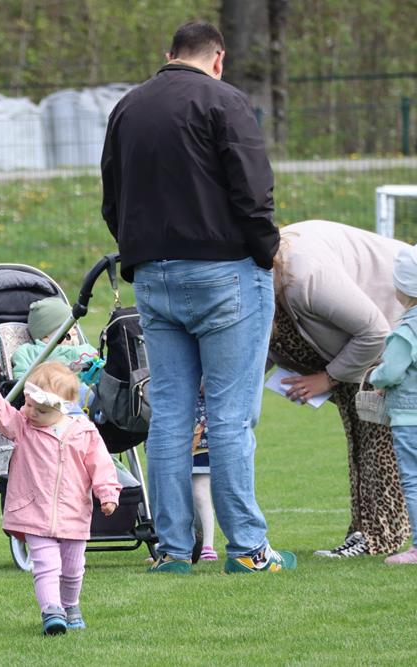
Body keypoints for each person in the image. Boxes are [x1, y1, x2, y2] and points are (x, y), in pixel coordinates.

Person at [101, 20, 294, 574]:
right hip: (225, 272)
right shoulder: (226, 101)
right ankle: (248, 549)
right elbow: (253, 189)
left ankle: (172, 548)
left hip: (155, 278)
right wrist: (265, 250)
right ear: (218, 58)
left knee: (168, 416)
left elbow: (111, 195)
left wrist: (136, 251)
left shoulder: (129, 108)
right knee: (230, 418)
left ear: (169, 56)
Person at [271, 220, 410, 557]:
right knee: (360, 438)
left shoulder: (305, 276)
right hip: (361, 344)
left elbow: (375, 331)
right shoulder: (272, 278)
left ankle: (381, 536)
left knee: (378, 437)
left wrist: (328, 377)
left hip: (394, 326)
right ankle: (364, 531)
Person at [0, 362, 120, 635]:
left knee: (72, 569)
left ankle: (70, 605)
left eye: (40, 410)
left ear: (62, 407)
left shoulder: (84, 432)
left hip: (74, 513)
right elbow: (0, 414)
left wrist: (107, 493)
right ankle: (51, 611)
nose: (30, 412)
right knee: (46, 565)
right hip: (34, 510)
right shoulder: (22, 425)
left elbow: (102, 466)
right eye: (28, 404)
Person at [370, 245, 417, 565]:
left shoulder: (406, 330)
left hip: (409, 417)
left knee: (413, 479)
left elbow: (393, 371)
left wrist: (376, 377)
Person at [11, 297, 101, 386]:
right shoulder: (28, 352)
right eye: (68, 329)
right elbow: (20, 381)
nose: (75, 332)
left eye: (74, 327)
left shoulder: (85, 349)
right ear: (46, 337)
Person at [191, 393, 217, 562]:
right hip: (172, 428)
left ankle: (207, 545)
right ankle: (169, 543)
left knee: (200, 492)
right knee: (171, 492)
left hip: (202, 433)